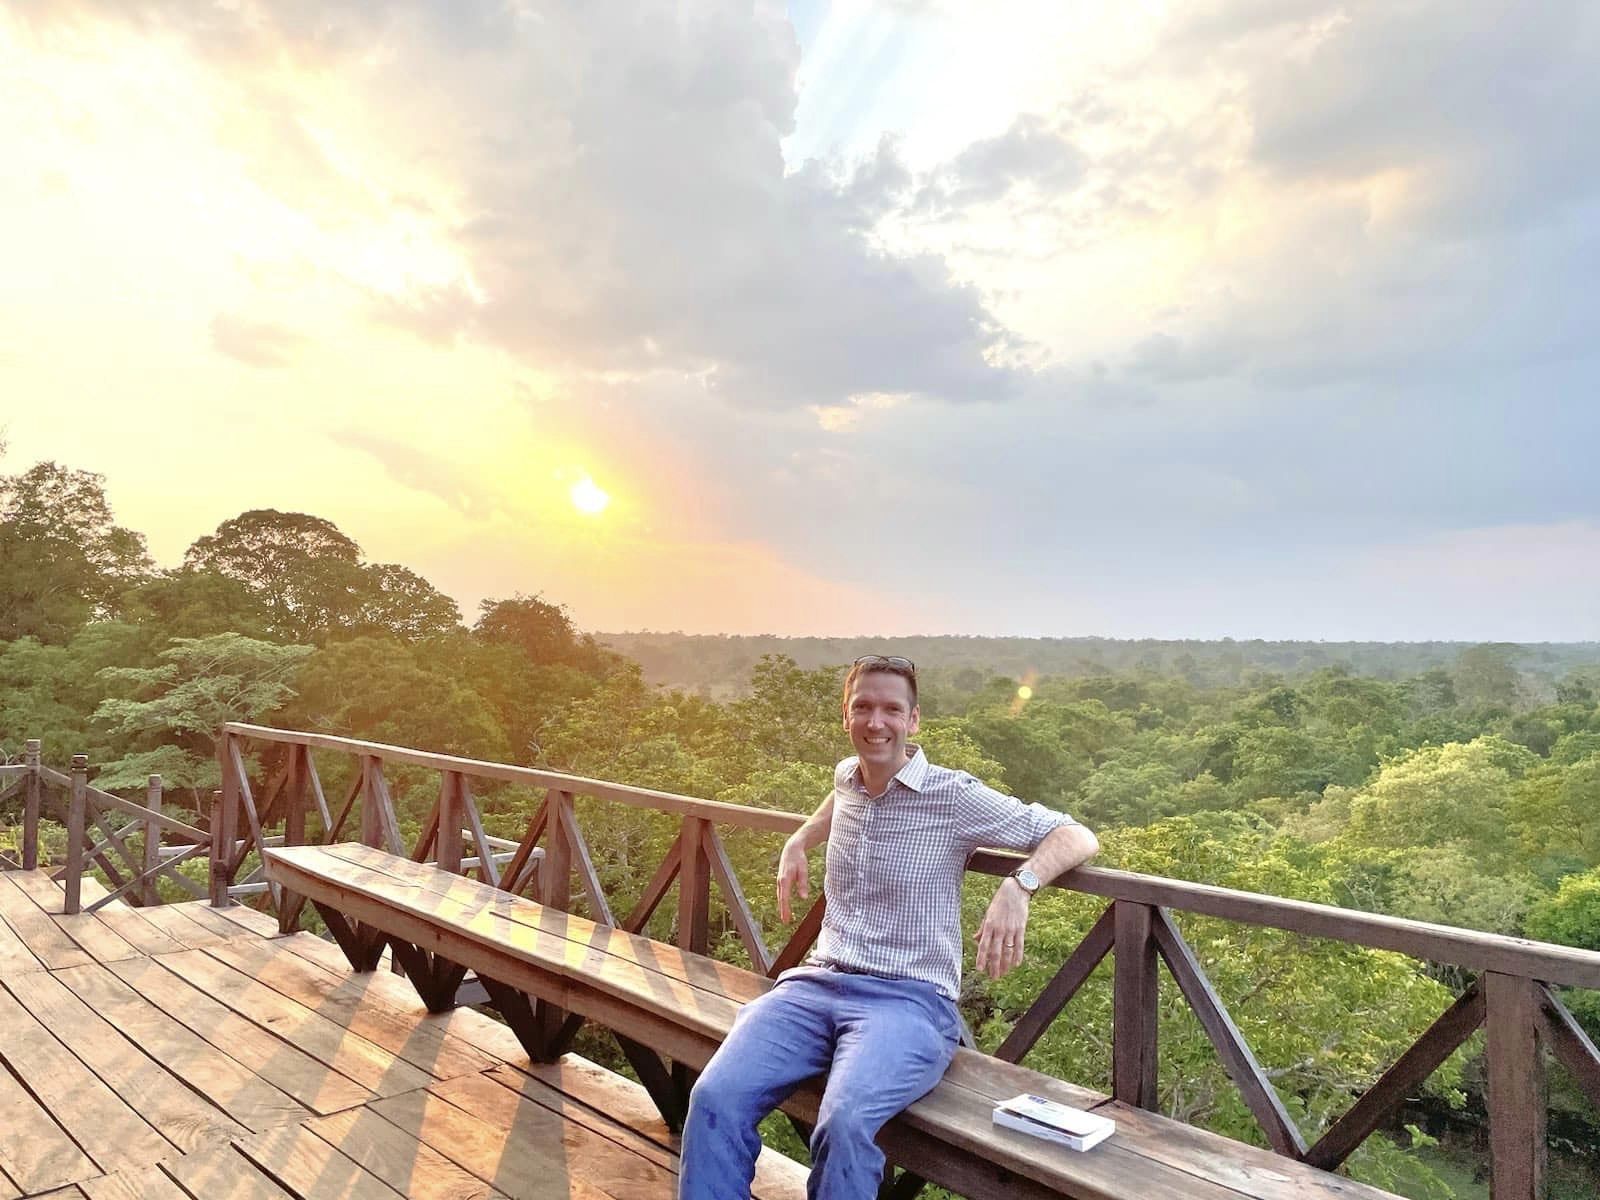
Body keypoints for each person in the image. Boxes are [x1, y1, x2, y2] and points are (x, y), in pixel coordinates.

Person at [679, 655, 1099, 1200]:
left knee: (845, 1125)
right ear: (846, 716)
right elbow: (838, 798)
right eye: (863, 707)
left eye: (891, 710)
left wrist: (1021, 884)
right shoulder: (847, 775)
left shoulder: (952, 796)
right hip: (814, 985)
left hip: (908, 1002)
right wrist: (800, 839)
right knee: (714, 1097)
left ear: (913, 720)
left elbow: (1075, 833)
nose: (876, 722)